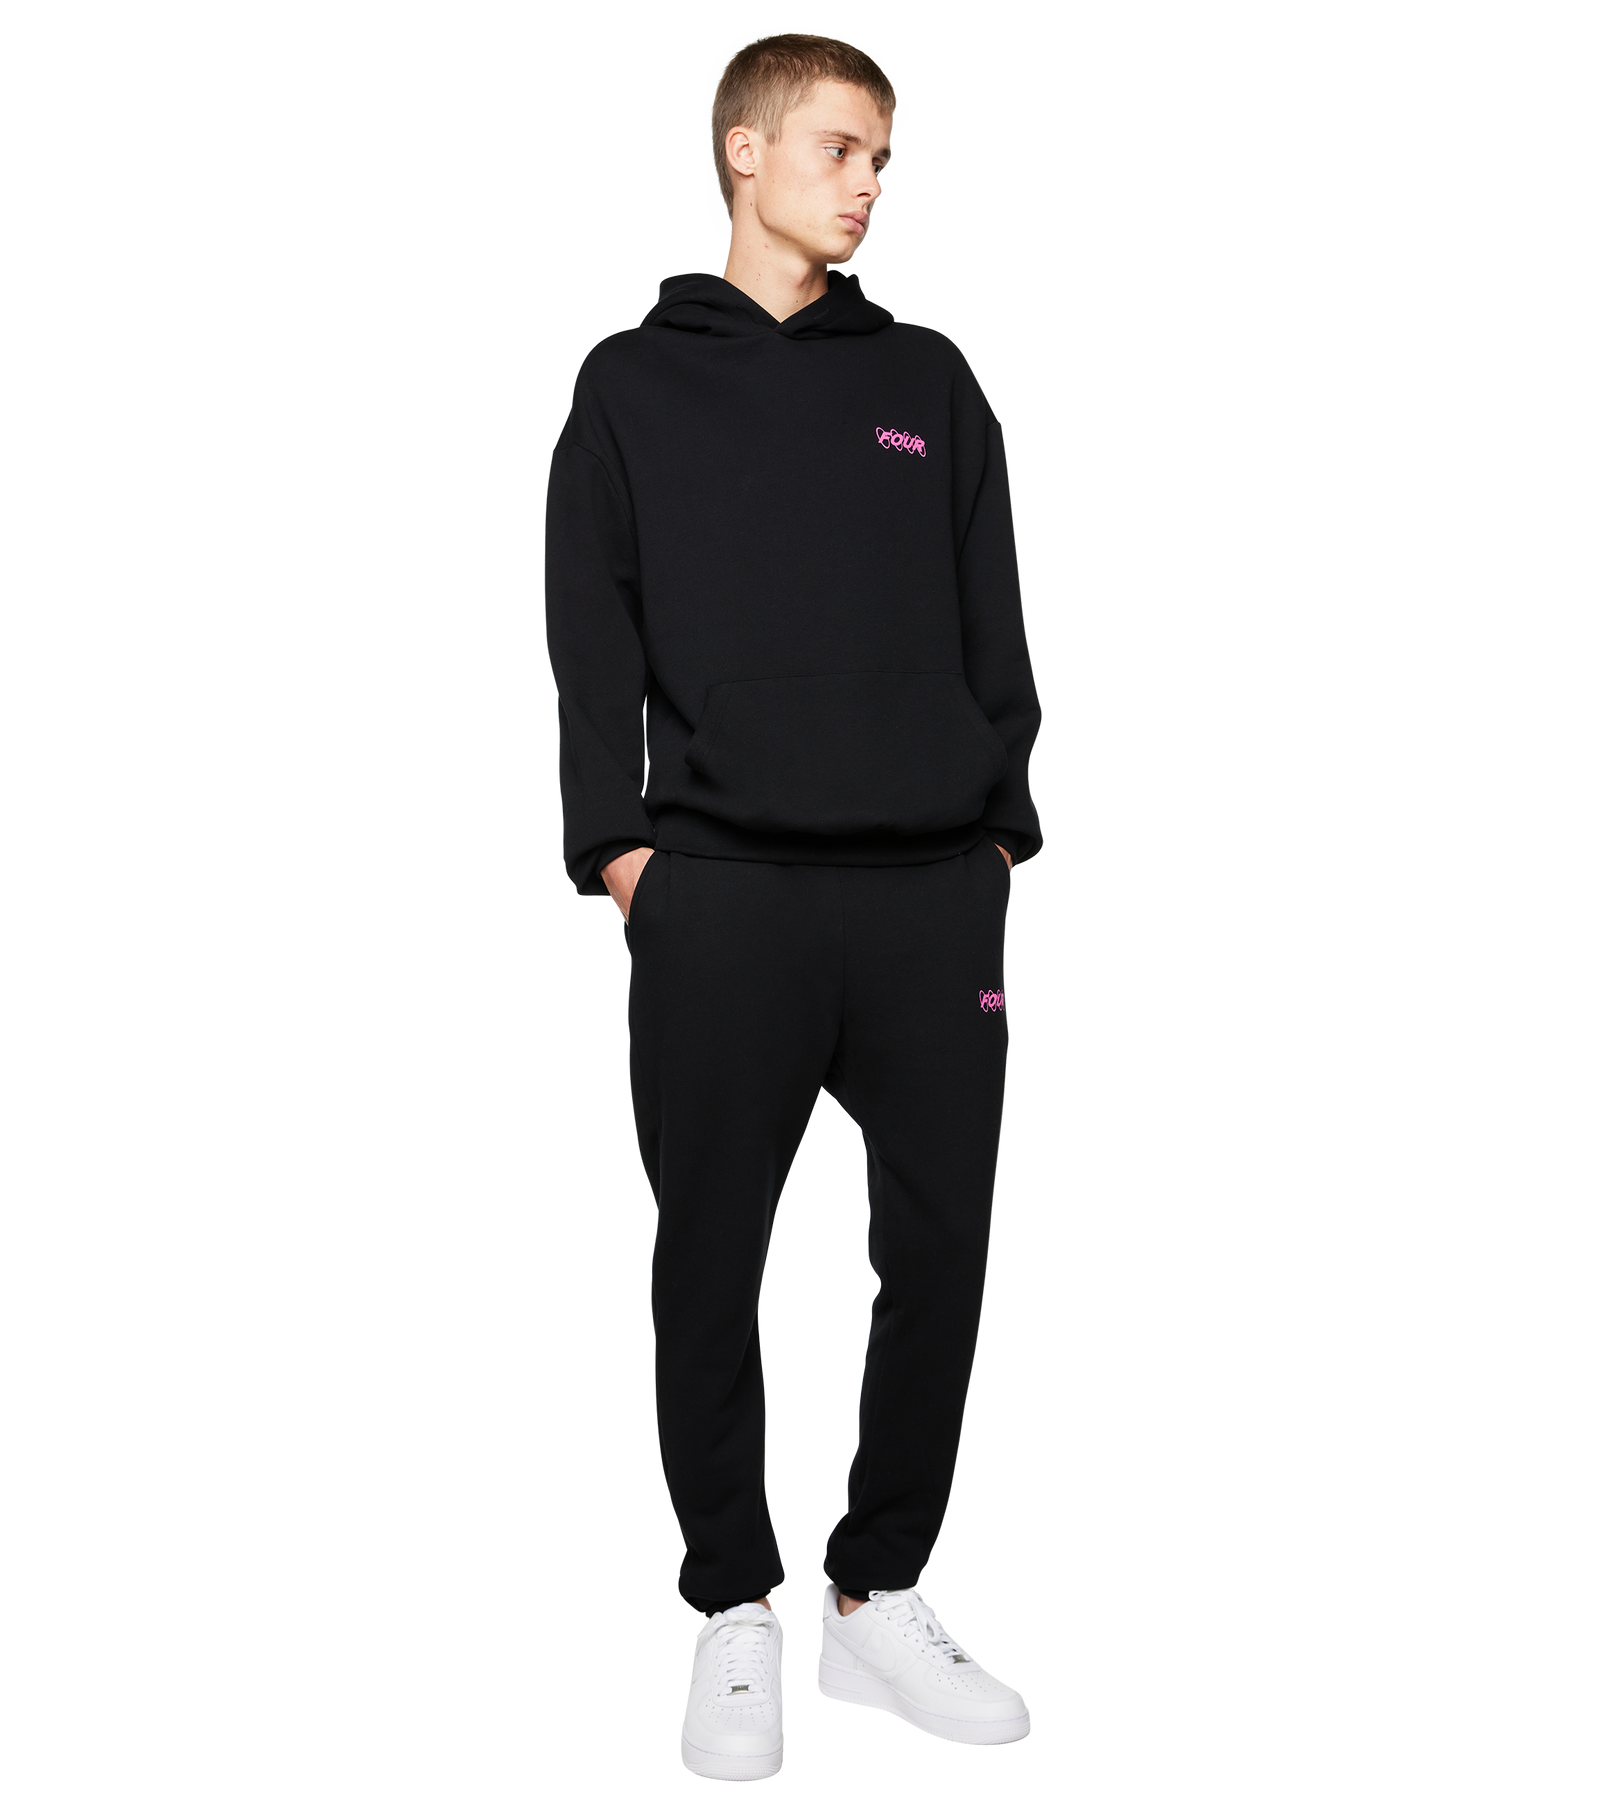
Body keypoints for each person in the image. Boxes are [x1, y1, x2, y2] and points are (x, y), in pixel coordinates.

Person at [544, 27, 1044, 1781]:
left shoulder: (933, 380)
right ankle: (735, 1613)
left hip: (928, 896)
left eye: (884, 159)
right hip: (724, 896)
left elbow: (995, 622)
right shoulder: (629, 384)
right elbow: (588, 635)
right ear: (744, 152)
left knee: (945, 1251)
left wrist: (997, 833)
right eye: (842, 147)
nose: (869, 181)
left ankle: (877, 1599)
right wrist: (626, 858)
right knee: (711, 1259)